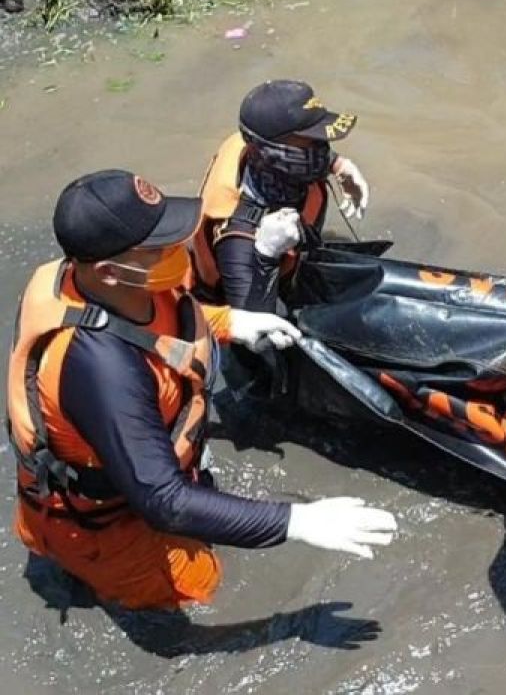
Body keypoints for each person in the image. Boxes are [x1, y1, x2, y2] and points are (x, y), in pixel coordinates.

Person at [8, 170, 397, 611]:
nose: (178, 247)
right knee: (204, 587)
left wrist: (232, 322)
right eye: (158, 246)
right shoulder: (100, 370)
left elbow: (163, 324)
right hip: (106, 525)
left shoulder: (111, 283)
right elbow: (164, 502)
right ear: (109, 272)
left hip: (135, 462)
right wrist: (298, 521)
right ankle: (98, 585)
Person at [190, 80, 370, 312]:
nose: (321, 151)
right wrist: (266, 256)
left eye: (321, 142)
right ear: (269, 152)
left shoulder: (265, 154)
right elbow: (255, 333)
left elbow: (304, 153)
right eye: (310, 144)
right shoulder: (239, 239)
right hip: (236, 295)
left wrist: (340, 165)